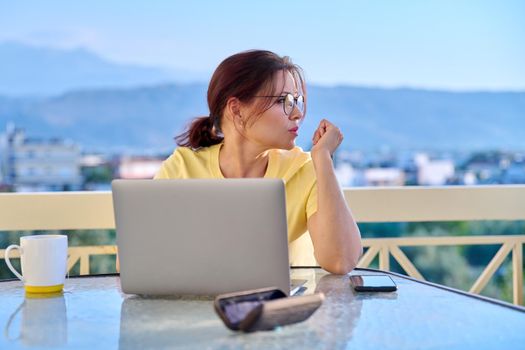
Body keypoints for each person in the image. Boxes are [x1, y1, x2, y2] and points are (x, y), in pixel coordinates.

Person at [155, 50, 362, 274]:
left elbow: (341, 262)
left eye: (297, 101)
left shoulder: (306, 169)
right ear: (236, 109)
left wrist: (322, 158)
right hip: (197, 306)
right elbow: (137, 261)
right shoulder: (181, 168)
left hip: (286, 308)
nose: (297, 114)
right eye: (283, 101)